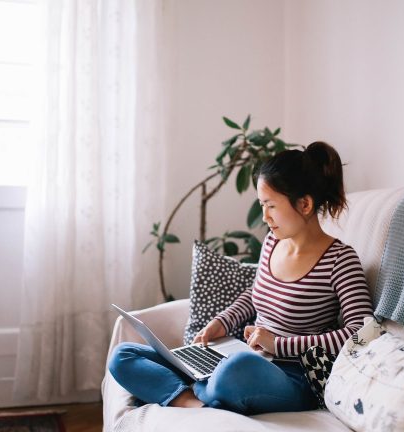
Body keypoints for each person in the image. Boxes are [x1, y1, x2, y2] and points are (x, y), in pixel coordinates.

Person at [108, 141, 374, 414]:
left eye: (270, 205)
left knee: (234, 371)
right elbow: (255, 295)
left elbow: (361, 334)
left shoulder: (340, 260)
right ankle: (193, 401)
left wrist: (279, 345)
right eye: (261, 205)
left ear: (304, 204)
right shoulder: (272, 242)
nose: (265, 216)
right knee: (122, 355)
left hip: (293, 376)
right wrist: (222, 322)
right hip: (246, 357)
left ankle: (187, 388)